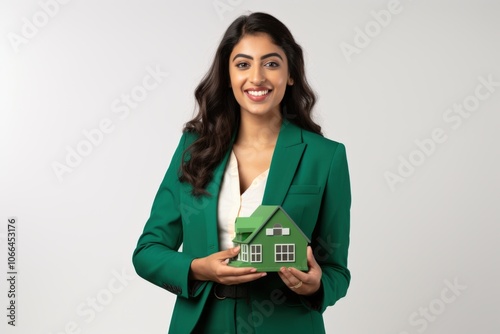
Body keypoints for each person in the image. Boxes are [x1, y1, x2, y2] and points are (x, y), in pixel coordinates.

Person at [132, 12, 351, 334]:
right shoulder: (194, 148)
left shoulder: (325, 156)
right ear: (228, 74)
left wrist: (315, 285)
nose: (257, 77)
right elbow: (148, 252)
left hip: (284, 323)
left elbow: (336, 270)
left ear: (291, 74)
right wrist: (198, 269)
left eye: (272, 63)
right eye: (243, 64)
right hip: (202, 323)